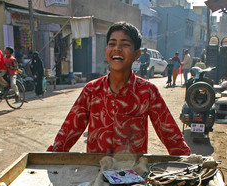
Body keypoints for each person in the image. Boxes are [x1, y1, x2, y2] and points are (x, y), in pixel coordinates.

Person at [47, 22, 190, 157]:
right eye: (112, 44)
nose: (117, 48)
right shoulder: (91, 90)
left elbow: (171, 136)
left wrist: (190, 164)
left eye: (125, 44)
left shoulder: (147, 92)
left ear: (137, 54)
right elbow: (67, 133)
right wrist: (50, 158)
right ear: (106, 51)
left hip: (133, 176)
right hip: (96, 174)